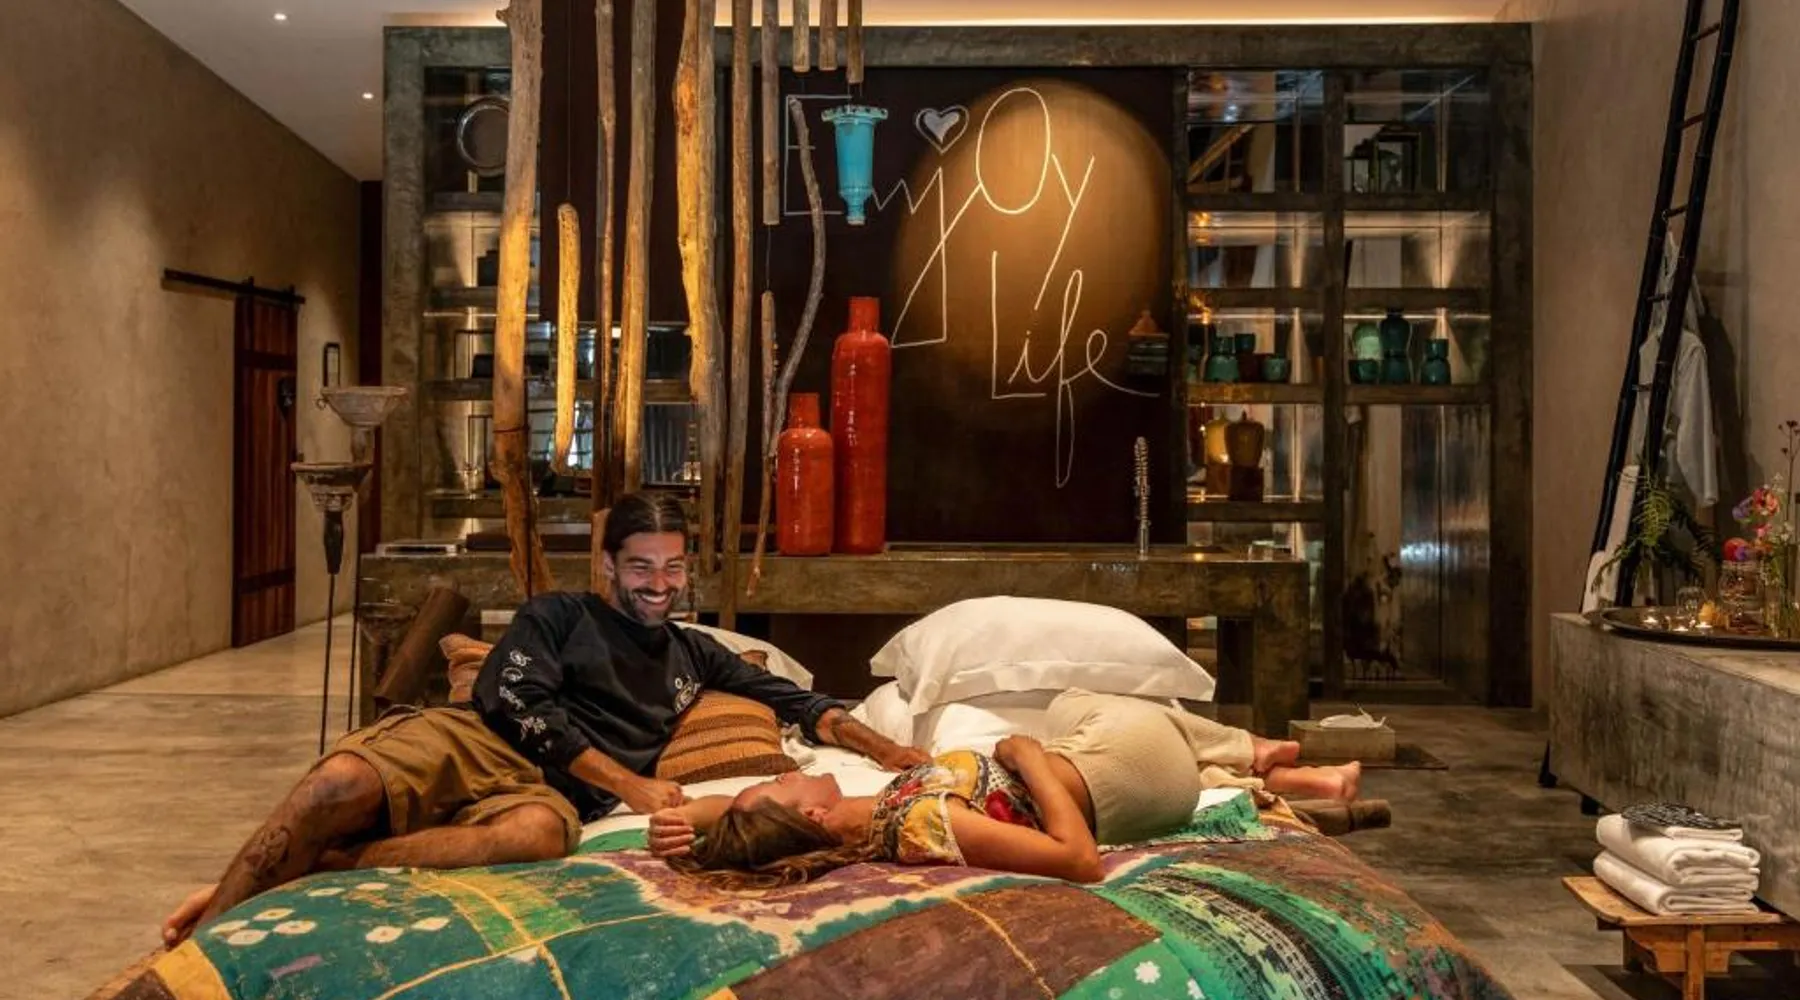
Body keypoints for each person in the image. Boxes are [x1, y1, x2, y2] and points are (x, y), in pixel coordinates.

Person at [162, 491, 926, 946]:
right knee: (336, 785)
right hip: (472, 742)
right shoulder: (558, 615)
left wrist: (890, 750)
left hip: (550, 796)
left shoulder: (695, 655)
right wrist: (629, 784)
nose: (658, 584)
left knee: (538, 836)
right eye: (640, 566)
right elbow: (514, 700)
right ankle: (197, 950)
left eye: (672, 567)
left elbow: (808, 708)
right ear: (608, 565)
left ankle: (317, 865)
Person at [650, 689, 1362, 888]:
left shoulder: (875, 811)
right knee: (1067, 706)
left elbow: (742, 815)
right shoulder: (921, 821)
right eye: (780, 785)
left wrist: (693, 821)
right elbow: (1079, 861)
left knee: (1072, 727)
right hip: (1131, 776)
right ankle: (1255, 752)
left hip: (1148, 781)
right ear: (810, 813)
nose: (785, 769)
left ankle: (1269, 770)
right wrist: (1031, 760)